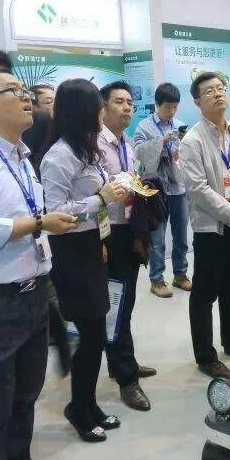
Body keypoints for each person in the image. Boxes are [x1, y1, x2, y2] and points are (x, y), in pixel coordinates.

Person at [0, 68, 78, 460]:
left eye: (25, 91)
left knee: (25, 395)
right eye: (13, 91)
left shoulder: (24, 157)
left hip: (32, 291)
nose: (26, 98)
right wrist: (37, 222)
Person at [41, 79, 128, 443]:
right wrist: (100, 198)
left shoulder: (85, 149)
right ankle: (79, 408)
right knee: (91, 337)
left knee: (97, 334)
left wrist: (102, 235)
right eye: (98, 108)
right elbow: (55, 213)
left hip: (91, 246)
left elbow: (97, 203)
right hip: (70, 253)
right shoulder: (58, 157)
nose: (102, 114)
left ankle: (88, 404)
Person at [180, 72, 230, 378]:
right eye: (209, 91)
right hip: (212, 226)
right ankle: (205, 356)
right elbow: (197, 189)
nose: (217, 94)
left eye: (221, 88)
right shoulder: (192, 141)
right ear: (197, 102)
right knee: (204, 291)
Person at [98, 81, 156, 412]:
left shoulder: (127, 143)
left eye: (130, 103)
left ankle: (121, 361)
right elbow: (95, 195)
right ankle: (126, 378)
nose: (127, 108)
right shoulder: (94, 146)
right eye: (119, 101)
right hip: (108, 234)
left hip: (129, 230)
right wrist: (100, 240)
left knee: (126, 300)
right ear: (103, 107)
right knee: (116, 303)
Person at [22, 110, 73, 376]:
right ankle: (61, 339)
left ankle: (61, 339)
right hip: (36, 246)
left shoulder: (33, 165)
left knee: (46, 296)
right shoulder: (43, 162)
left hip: (41, 246)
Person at [134, 83, 191, 299]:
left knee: (181, 235)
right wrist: (161, 141)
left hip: (178, 187)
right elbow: (138, 153)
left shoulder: (180, 125)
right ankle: (157, 279)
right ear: (157, 104)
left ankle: (180, 274)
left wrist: (184, 142)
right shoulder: (143, 127)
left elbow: (186, 156)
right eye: (168, 107)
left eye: (175, 107)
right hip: (155, 190)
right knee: (157, 238)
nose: (172, 112)